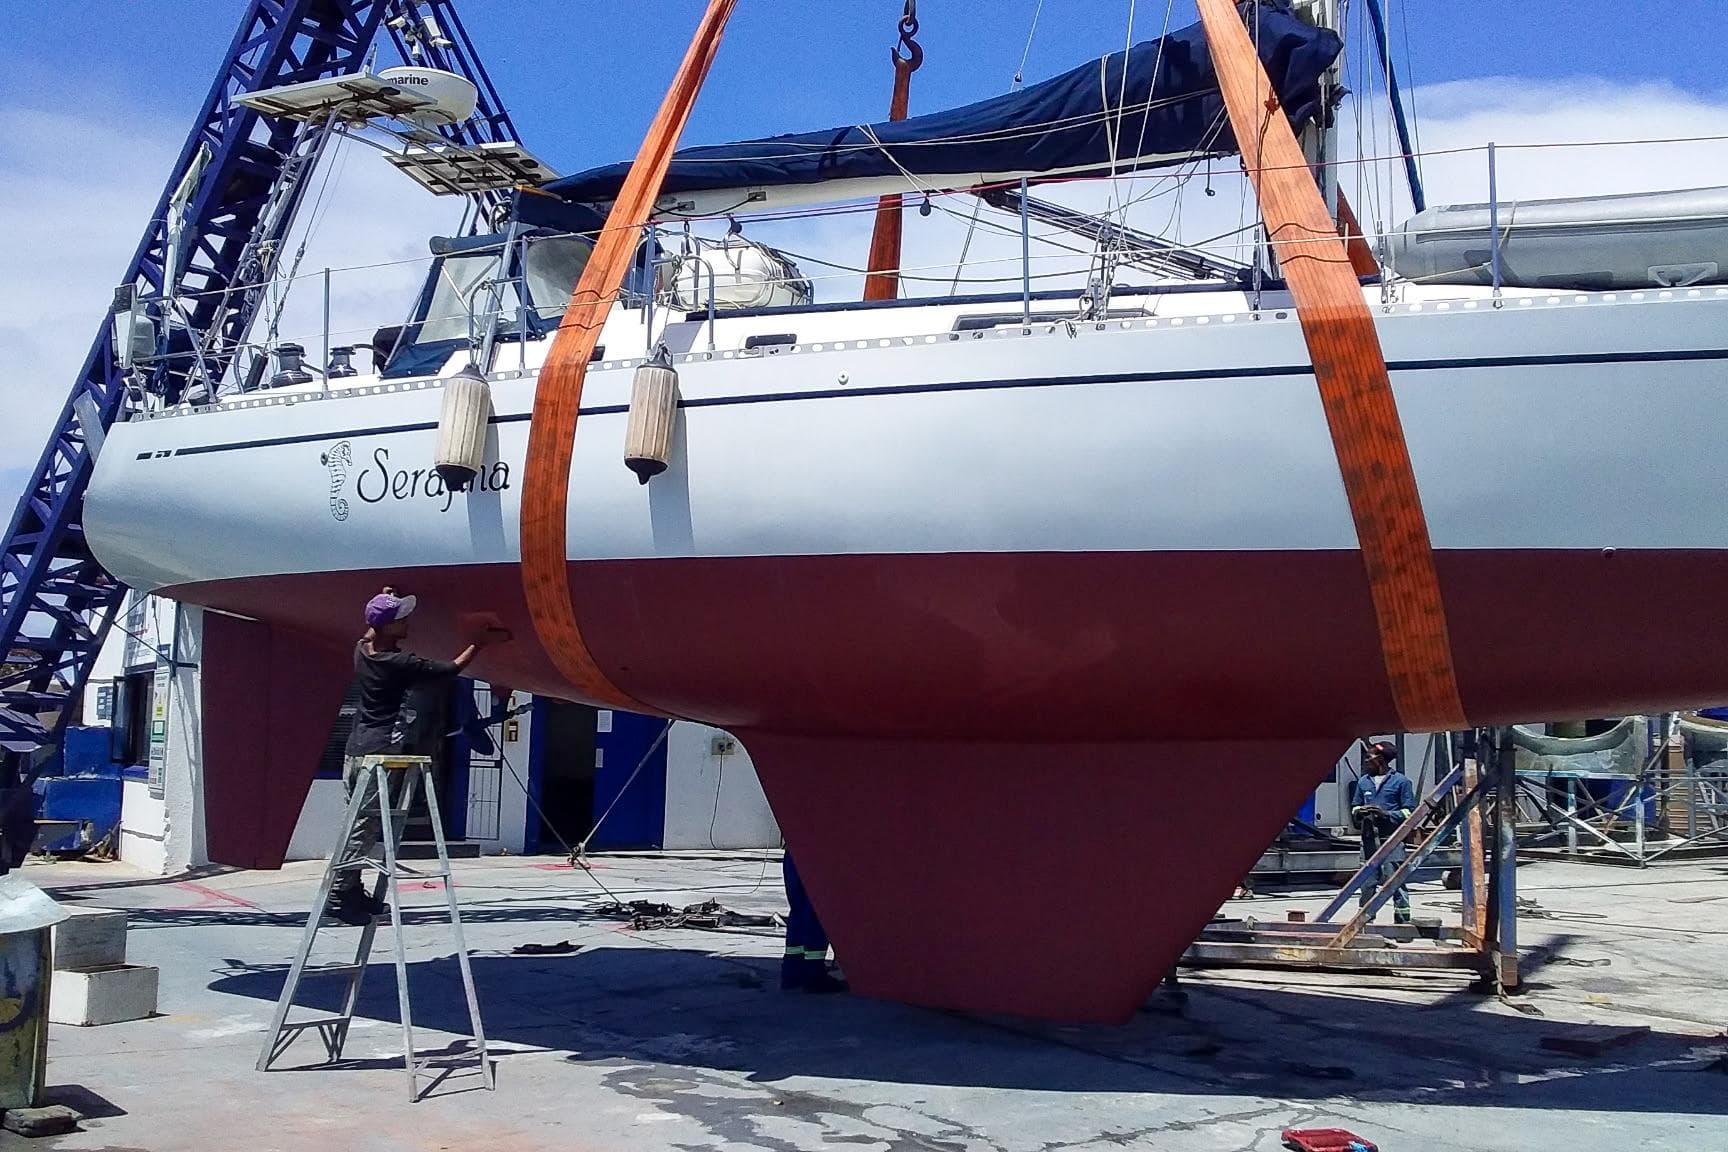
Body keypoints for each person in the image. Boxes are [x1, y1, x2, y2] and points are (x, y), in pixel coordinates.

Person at [326, 587, 505, 925]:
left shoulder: (363, 650)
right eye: (401, 617)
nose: (408, 621)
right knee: (364, 827)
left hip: (354, 750)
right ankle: (339, 895)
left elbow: (370, 630)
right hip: (378, 752)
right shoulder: (398, 663)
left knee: (357, 823)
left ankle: (350, 889)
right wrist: (479, 643)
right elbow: (450, 670)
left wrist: (385, 596)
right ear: (389, 626)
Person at [1351, 740, 1417, 925]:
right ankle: (1365, 923)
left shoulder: (1401, 782)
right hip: (1369, 841)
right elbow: (1355, 806)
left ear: (1380, 759)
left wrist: (1386, 814)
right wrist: (1360, 811)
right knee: (1367, 883)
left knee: (1395, 881)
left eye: (1369, 757)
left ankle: (1402, 923)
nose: (1366, 760)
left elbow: (1409, 812)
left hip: (1392, 841)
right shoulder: (1363, 782)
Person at [781, 852, 845, 993]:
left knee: (799, 911)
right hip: (816, 854)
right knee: (816, 911)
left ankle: (793, 970)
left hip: (793, 853)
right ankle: (813, 973)